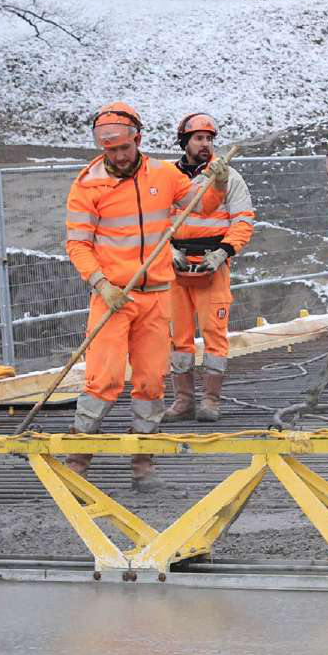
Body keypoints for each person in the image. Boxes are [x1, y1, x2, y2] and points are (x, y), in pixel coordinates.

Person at [63, 102, 225, 493]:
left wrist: (217, 183)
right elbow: (78, 244)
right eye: (110, 150)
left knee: (152, 382)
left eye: (124, 148)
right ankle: (77, 462)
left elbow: (200, 204)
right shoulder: (88, 185)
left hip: (155, 296)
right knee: (104, 380)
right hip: (113, 297)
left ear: (138, 139)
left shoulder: (164, 175)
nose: (118, 157)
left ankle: (143, 464)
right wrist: (101, 283)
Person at [167, 113, 254, 423]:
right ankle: (183, 401)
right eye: (199, 138)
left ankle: (211, 400)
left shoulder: (228, 177)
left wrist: (223, 252)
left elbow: (243, 221)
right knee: (179, 337)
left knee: (215, 335)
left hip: (213, 265)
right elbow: (158, 220)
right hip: (176, 267)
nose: (206, 144)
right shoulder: (168, 178)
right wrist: (169, 249)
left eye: (209, 139)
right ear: (185, 142)